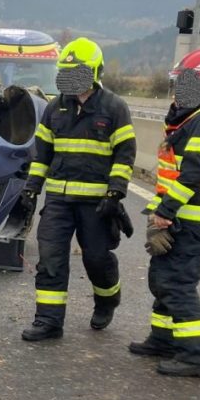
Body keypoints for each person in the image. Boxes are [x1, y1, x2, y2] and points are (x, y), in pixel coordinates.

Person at [131, 48, 200, 378]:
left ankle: (196, 355)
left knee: (176, 282)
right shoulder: (199, 115)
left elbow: (194, 171)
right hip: (186, 213)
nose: (180, 90)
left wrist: (165, 212)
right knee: (163, 278)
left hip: (192, 216)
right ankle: (164, 339)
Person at [21, 37, 135, 342]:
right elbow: (41, 154)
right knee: (51, 260)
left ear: (93, 72)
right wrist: (31, 190)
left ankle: (107, 299)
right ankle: (48, 321)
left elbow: (125, 155)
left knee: (96, 258)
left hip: (96, 203)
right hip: (59, 201)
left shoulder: (114, 108)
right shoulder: (54, 108)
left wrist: (115, 193)